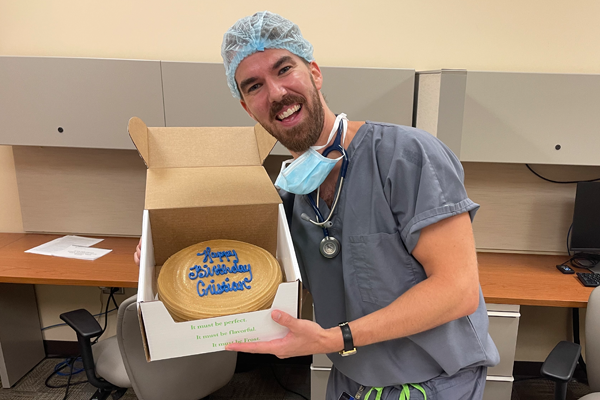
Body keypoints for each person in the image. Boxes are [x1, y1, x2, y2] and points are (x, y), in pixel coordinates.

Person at [135, 11, 499, 400]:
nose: (275, 93)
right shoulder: (288, 195)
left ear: (314, 72)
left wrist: (336, 337)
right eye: (254, 85)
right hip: (351, 384)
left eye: (284, 69)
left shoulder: (406, 157)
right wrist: (172, 253)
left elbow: (456, 289)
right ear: (246, 108)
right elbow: (253, 277)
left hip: (436, 386)